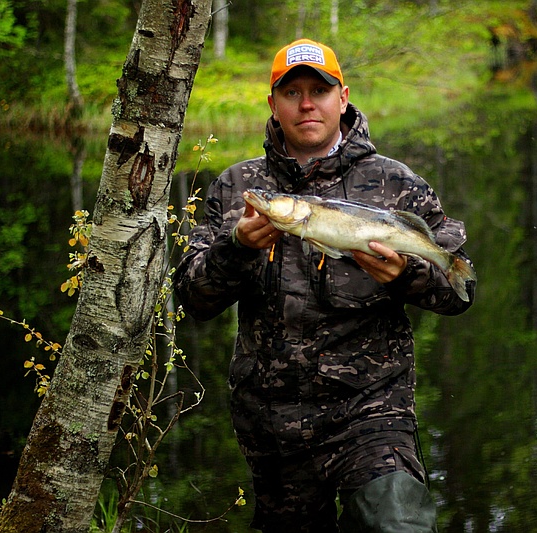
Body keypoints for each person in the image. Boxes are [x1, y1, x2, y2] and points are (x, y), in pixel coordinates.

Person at [174, 38, 476, 533]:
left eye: (320, 89)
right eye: (292, 92)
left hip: (373, 409)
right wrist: (238, 247)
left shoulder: (397, 184)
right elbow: (193, 296)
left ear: (344, 96)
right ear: (273, 103)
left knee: (397, 525)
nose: (307, 103)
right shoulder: (236, 188)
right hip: (272, 422)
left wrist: (406, 274)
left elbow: (458, 292)